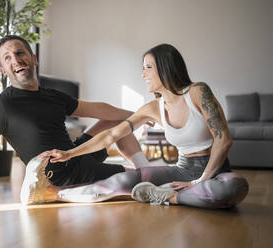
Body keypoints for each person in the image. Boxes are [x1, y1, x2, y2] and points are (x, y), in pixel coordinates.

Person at [0, 35, 151, 203]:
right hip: (59, 173)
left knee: (118, 123)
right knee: (132, 178)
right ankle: (70, 191)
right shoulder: (0, 105)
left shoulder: (53, 96)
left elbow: (99, 110)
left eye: (19, 53)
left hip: (74, 154)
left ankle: (147, 170)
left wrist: (140, 115)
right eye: (7, 58)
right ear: (4, 70)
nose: (15, 59)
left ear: (33, 59)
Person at [23, 43, 249, 208]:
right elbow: (110, 135)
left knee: (234, 188)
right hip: (181, 170)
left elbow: (223, 140)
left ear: (164, 67)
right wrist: (69, 154)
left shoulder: (198, 92)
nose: (143, 74)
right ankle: (55, 193)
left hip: (215, 171)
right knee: (121, 180)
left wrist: (201, 180)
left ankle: (168, 196)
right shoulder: (152, 107)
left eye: (148, 67)